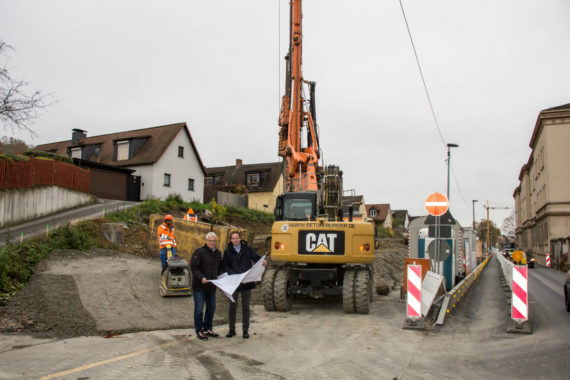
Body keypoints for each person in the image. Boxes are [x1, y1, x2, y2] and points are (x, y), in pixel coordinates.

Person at [223, 230, 267, 338]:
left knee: (246, 307)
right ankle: (231, 329)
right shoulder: (227, 251)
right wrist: (234, 275)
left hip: (246, 282)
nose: (235, 240)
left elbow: (256, 258)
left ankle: (245, 330)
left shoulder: (248, 249)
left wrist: (263, 262)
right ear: (231, 240)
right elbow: (225, 266)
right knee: (232, 307)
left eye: (237, 238)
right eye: (233, 238)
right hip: (234, 283)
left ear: (240, 238)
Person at [190, 232, 223, 340]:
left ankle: (207, 328)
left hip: (211, 287)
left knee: (211, 308)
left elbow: (220, 268)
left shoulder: (218, 253)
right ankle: (199, 330)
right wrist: (201, 278)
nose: (212, 243)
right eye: (210, 241)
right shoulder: (199, 252)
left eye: (214, 241)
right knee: (199, 309)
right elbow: (194, 268)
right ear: (206, 241)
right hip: (199, 287)